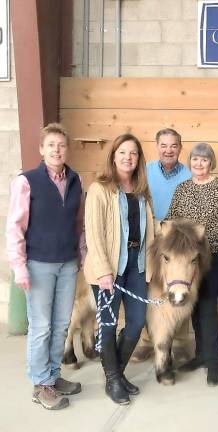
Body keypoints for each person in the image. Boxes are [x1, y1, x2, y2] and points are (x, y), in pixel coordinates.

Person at [6, 123, 85, 410]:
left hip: (67, 264)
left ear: (67, 149)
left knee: (62, 325)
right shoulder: (27, 182)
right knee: (41, 327)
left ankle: (52, 375)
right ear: (41, 149)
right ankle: (40, 384)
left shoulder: (76, 181)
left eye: (61, 145)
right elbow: (14, 226)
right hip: (38, 264)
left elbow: (79, 224)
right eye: (51, 145)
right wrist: (19, 266)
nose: (56, 150)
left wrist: (83, 255)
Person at [84, 133, 158, 405]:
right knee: (108, 324)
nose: (128, 157)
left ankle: (116, 373)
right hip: (110, 268)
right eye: (123, 152)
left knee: (137, 322)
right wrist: (104, 271)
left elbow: (153, 228)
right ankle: (114, 381)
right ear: (114, 155)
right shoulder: (100, 189)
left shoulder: (141, 191)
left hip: (137, 264)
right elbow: (94, 234)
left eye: (134, 153)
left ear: (139, 159)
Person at [166, 142, 218, 386]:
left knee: (206, 306)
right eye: (195, 159)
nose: (199, 163)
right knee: (193, 308)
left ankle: (213, 365)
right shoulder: (182, 188)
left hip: (213, 257)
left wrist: (195, 239)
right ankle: (200, 356)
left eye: (204, 160)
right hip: (186, 262)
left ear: (210, 163)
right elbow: (172, 218)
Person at [146, 128, 191, 221]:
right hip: (149, 231)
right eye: (163, 146)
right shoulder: (145, 170)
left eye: (173, 146)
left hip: (177, 233)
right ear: (157, 147)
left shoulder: (190, 176)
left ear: (180, 148)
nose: (168, 150)